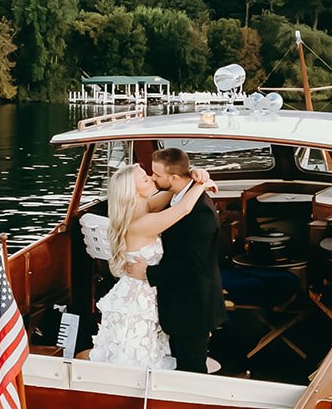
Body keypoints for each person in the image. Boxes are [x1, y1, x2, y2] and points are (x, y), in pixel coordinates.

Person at [88, 162, 215, 371]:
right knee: (135, 356)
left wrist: (191, 174)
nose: (152, 179)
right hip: (138, 299)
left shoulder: (144, 207)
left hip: (141, 290)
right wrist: (203, 184)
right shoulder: (141, 224)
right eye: (145, 179)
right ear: (133, 192)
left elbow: (174, 189)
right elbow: (183, 208)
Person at [144, 147, 227, 373]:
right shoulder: (176, 196)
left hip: (193, 305)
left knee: (191, 368)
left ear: (174, 177)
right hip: (179, 302)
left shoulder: (201, 212)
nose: (153, 178)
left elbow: (191, 265)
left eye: (157, 175)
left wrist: (148, 273)